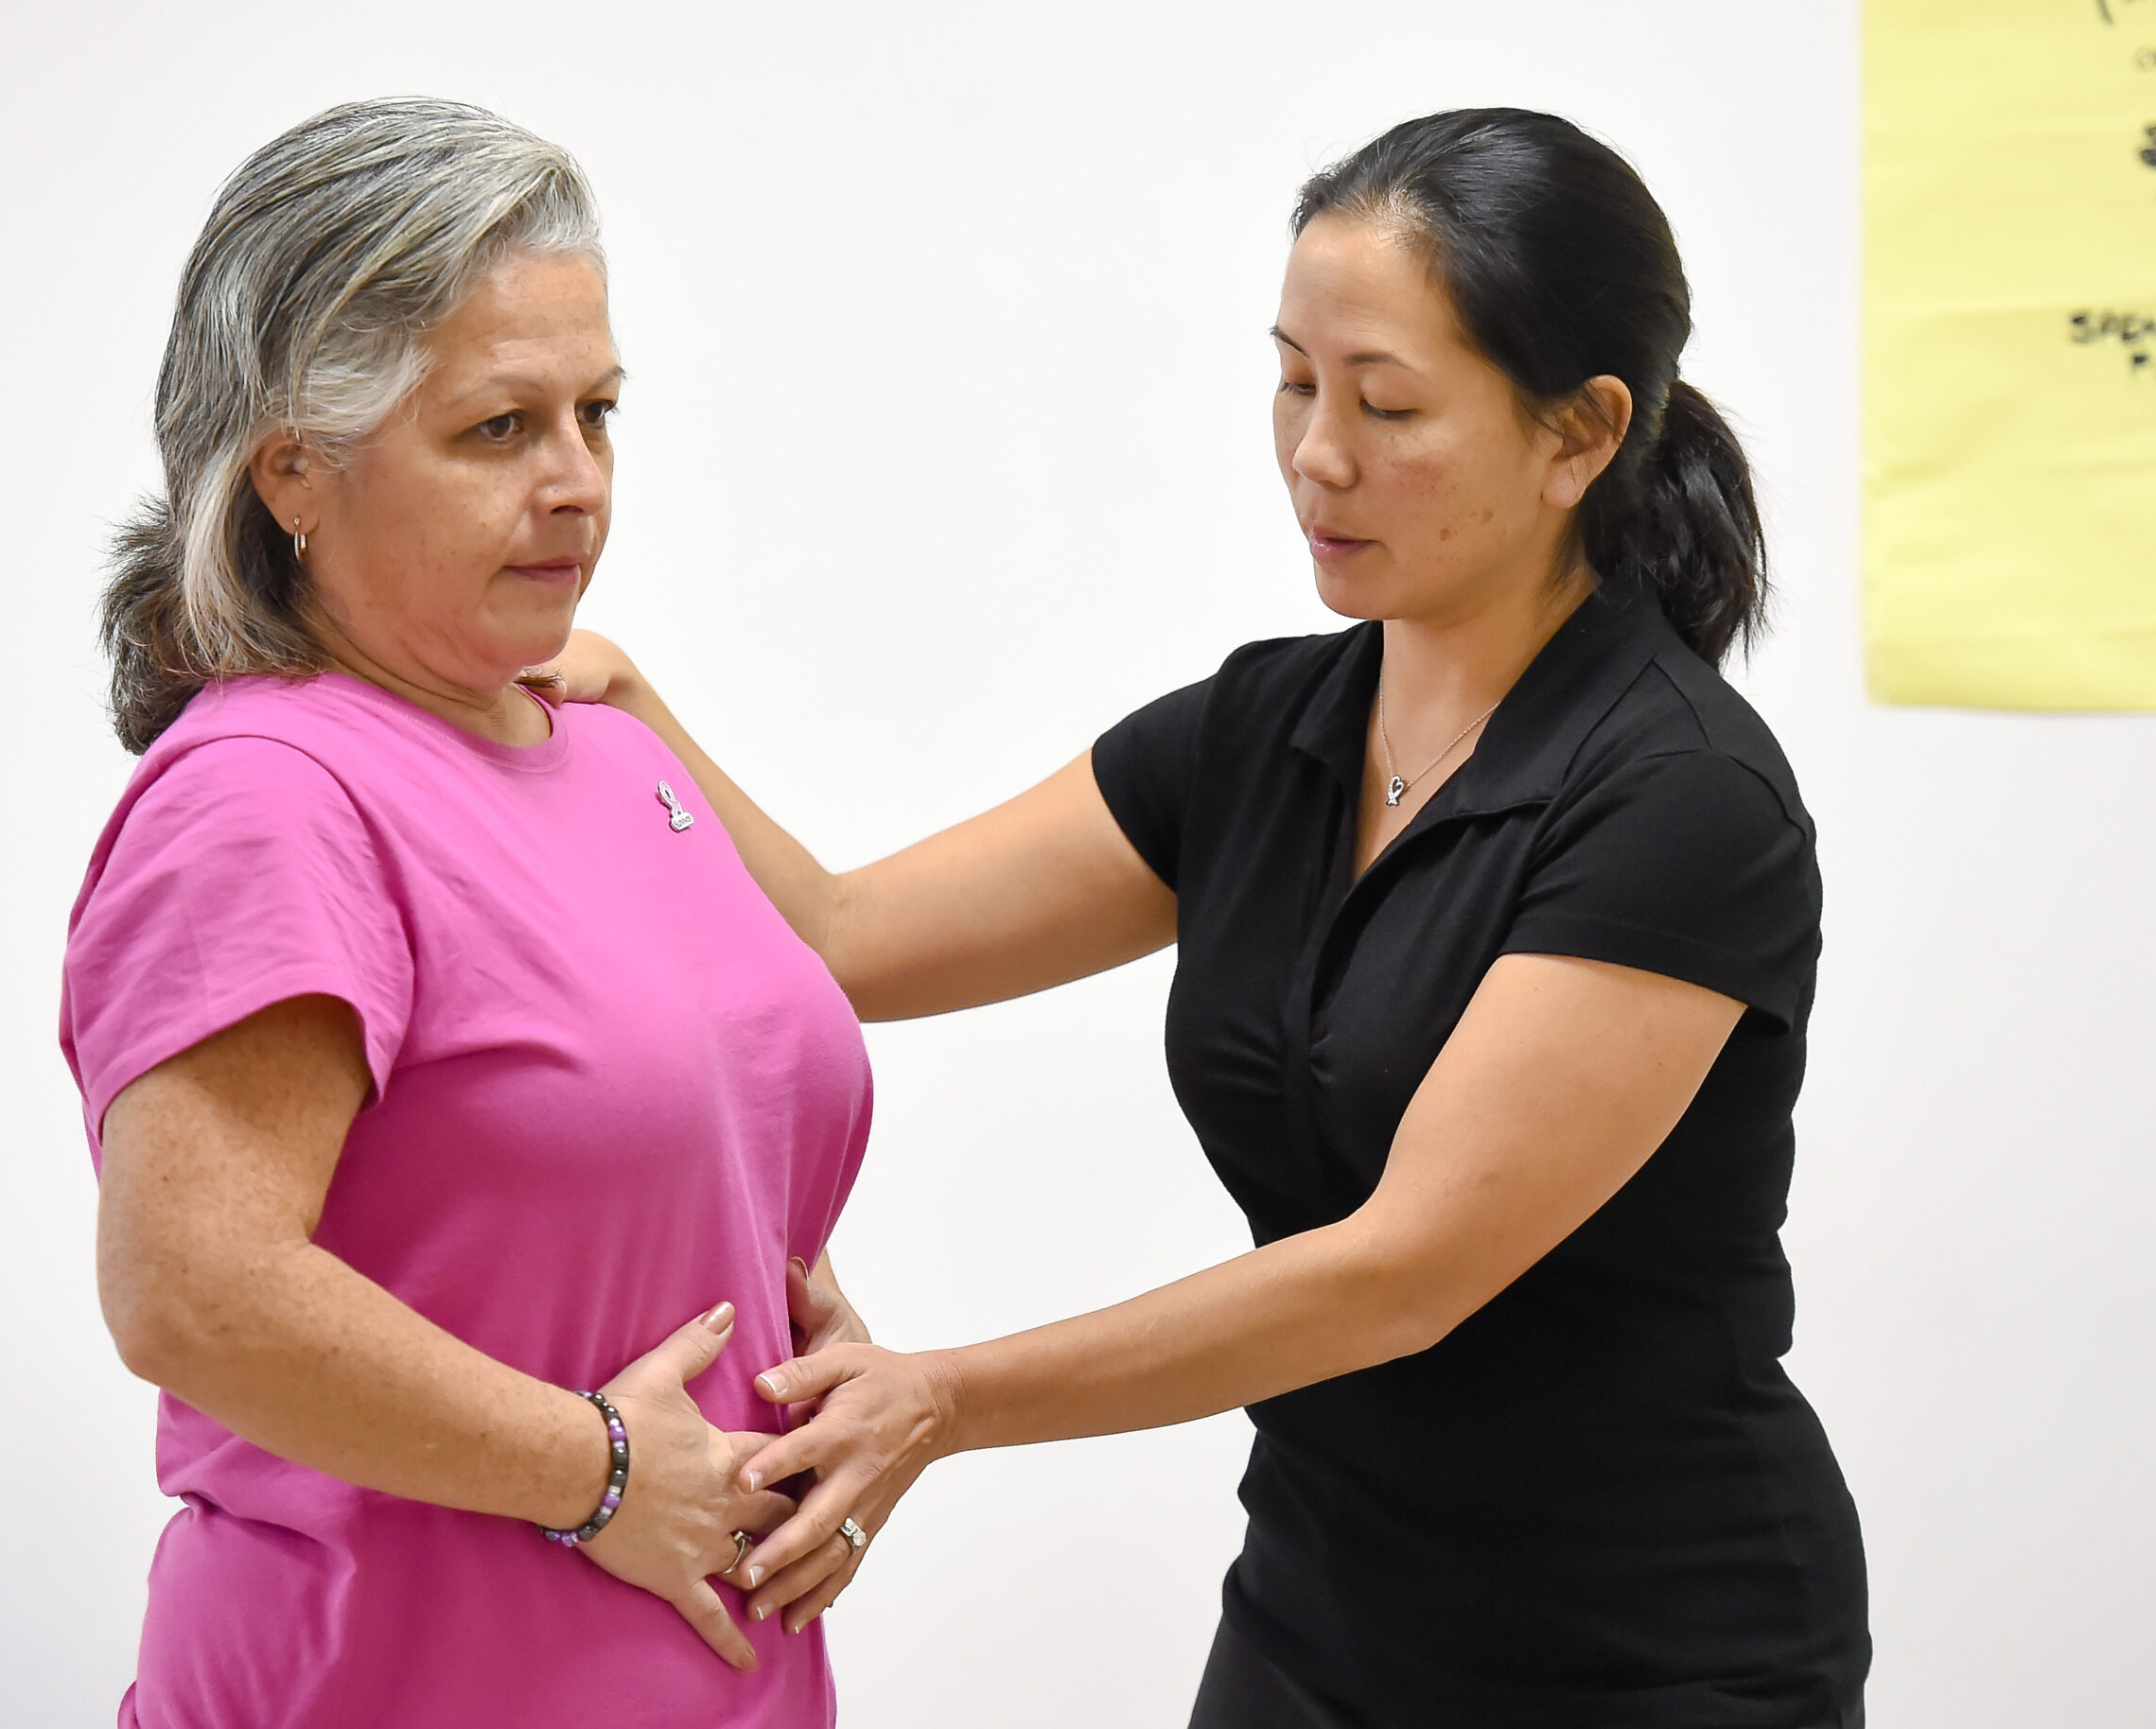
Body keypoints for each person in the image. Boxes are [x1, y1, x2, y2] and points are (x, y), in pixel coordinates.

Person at [554, 110, 1869, 1727]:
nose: (1318, 452)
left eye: (1387, 402)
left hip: (1651, 1653)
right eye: (1295, 381)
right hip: (1322, 1617)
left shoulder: (1680, 801)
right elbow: (843, 940)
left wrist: (945, 1398)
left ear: (1579, 433)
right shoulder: (1260, 737)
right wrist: (631, 712)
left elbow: (1402, 1273)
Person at [60, 99, 871, 1728]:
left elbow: (643, 1144)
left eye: (599, 413)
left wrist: (814, 1358)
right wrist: (600, 1470)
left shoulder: (606, 753)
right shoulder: (269, 796)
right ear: (296, 463)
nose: (579, 484)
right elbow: (193, 1290)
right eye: (501, 429)